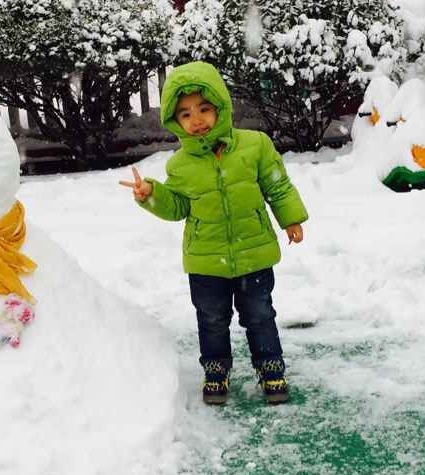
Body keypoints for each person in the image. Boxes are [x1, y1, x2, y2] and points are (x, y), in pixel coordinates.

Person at [120, 62, 308, 406]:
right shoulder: (179, 165)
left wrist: (290, 218)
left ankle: (270, 365)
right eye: (186, 114)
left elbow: (277, 186)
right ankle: (216, 370)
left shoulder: (255, 145)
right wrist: (152, 195)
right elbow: (178, 206)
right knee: (211, 319)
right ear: (175, 122)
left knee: (261, 314)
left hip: (254, 253)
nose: (197, 120)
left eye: (204, 109)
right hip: (206, 262)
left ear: (220, 107)